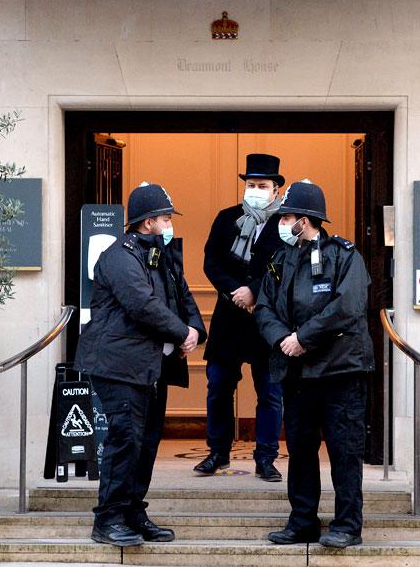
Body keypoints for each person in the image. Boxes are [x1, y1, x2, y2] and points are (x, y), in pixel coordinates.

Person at [75, 182, 206, 547]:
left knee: (145, 443)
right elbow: (141, 304)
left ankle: (133, 512)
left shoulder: (161, 256)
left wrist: (194, 329)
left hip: (149, 368)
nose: (169, 224)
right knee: (125, 441)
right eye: (165, 218)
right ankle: (109, 519)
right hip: (119, 366)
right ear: (147, 222)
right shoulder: (120, 255)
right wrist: (182, 333)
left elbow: (183, 295)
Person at [254, 179, 374, 549]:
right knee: (301, 452)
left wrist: (303, 338)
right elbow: (264, 307)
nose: (281, 221)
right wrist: (282, 340)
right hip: (298, 374)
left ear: (304, 220)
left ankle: (347, 525)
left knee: (344, 451)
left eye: (286, 215)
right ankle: (302, 521)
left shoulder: (345, 255)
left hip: (341, 373)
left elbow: (348, 307)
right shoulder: (280, 259)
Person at [195, 154, 285, 482]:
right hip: (229, 318)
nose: (256, 190)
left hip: (268, 322)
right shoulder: (227, 218)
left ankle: (266, 456)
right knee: (218, 386)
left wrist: (255, 291)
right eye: (250, 185)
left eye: (262, 185)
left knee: (270, 392)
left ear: (276, 190)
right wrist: (236, 291)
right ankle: (217, 452)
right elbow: (211, 262)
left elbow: (286, 268)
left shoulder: (287, 224)